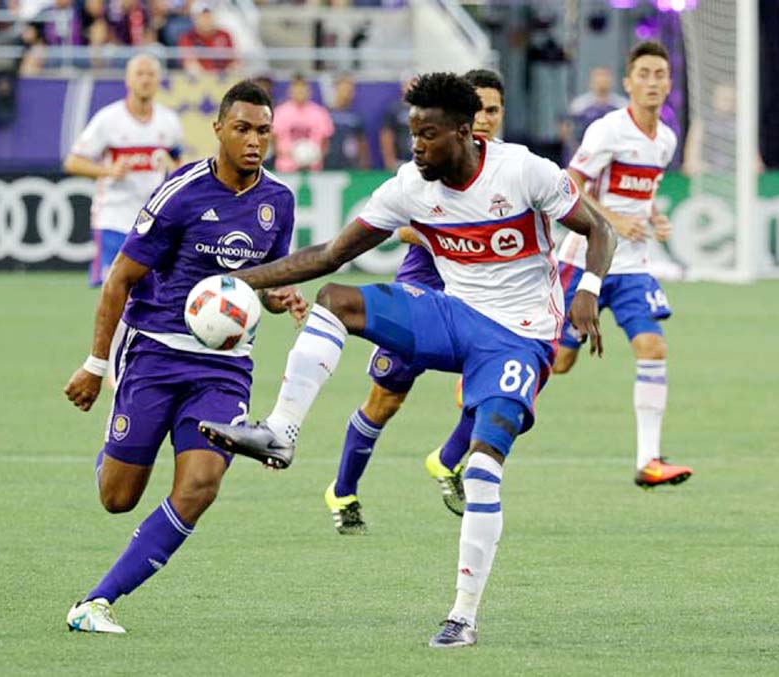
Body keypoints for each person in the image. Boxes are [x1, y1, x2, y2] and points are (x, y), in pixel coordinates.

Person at [198, 72, 616, 648]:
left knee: (485, 466)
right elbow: (330, 254)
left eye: (428, 134)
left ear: (465, 132)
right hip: (454, 316)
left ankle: (463, 615)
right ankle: (280, 430)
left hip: (520, 339)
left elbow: (599, 228)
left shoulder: (523, 170)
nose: (415, 145)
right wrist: (234, 281)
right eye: (412, 133)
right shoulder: (410, 187)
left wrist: (589, 288)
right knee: (336, 301)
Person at [63, 80, 307, 634]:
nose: (253, 141)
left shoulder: (278, 202)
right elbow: (121, 277)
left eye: (263, 131)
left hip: (223, 366)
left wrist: (280, 295)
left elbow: (265, 283)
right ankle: (125, 434)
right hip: (154, 351)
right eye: (242, 128)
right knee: (117, 498)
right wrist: (96, 365)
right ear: (218, 129)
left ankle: (96, 602)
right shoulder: (181, 193)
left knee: (199, 485)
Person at [319, 68, 507, 535]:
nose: (485, 118)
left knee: (502, 380)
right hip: (424, 289)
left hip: (481, 297)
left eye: (493, 110)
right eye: (478, 108)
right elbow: (399, 225)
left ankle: (447, 460)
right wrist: (453, 234)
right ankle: (342, 490)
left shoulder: (510, 168)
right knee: (386, 400)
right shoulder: (431, 164)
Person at [555, 41, 692, 488]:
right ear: (628, 82)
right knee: (557, 362)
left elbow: (642, 197)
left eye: (660, 74)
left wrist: (654, 217)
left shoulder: (666, 139)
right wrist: (613, 220)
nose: (653, 82)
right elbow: (570, 185)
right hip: (585, 261)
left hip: (632, 266)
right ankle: (478, 384)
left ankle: (649, 460)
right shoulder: (607, 130)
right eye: (644, 74)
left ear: (669, 84)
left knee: (653, 347)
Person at [64, 54, 183, 287]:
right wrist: (108, 171)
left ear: (159, 80)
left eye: (151, 74)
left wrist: (173, 170)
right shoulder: (108, 119)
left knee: (152, 289)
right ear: (128, 80)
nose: (145, 80)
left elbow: (178, 163)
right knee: (113, 288)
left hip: (153, 220)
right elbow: (73, 162)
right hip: (114, 217)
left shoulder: (169, 122)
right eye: (140, 74)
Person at [560, 66, 628, 165]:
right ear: (591, 83)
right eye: (598, 81)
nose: (602, 84)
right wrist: (574, 148)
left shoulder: (621, 105)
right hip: (585, 154)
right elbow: (565, 128)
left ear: (611, 82)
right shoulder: (579, 105)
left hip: (613, 155)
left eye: (605, 80)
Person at [271, 73, 335, 173]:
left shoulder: (320, 113)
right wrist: (289, 154)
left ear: (309, 91)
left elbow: (326, 141)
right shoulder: (280, 112)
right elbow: (273, 140)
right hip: (286, 169)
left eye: (303, 89)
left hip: (313, 169)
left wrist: (315, 155)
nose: (300, 92)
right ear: (290, 91)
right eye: (296, 89)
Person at [177, 0, 236, 74]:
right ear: (195, 18)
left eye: (209, 15)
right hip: (200, 81)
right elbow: (190, 64)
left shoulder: (224, 35)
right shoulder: (187, 37)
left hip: (224, 79)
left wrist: (225, 74)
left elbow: (234, 62)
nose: (206, 19)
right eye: (203, 16)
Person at [325, 73, 369, 170]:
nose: (346, 94)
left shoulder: (356, 117)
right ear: (336, 90)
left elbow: (361, 141)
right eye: (343, 89)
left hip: (350, 165)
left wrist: (364, 164)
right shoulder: (325, 114)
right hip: (329, 165)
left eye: (349, 90)